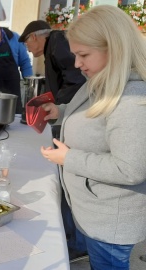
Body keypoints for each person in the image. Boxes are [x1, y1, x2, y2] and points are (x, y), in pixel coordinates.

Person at [40, 5, 146, 270]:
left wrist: (69, 158)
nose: (77, 64)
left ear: (114, 48)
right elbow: (90, 113)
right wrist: (60, 112)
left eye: (83, 54)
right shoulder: (102, 77)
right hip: (96, 214)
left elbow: (130, 169)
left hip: (111, 223)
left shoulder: (132, 99)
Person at [19, 20, 87, 259]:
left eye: (27, 41)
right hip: (69, 115)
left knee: (68, 180)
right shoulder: (53, 48)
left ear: (37, 37)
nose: (27, 48)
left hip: (73, 119)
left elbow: (77, 80)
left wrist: (60, 107)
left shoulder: (57, 42)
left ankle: (78, 243)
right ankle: (74, 238)